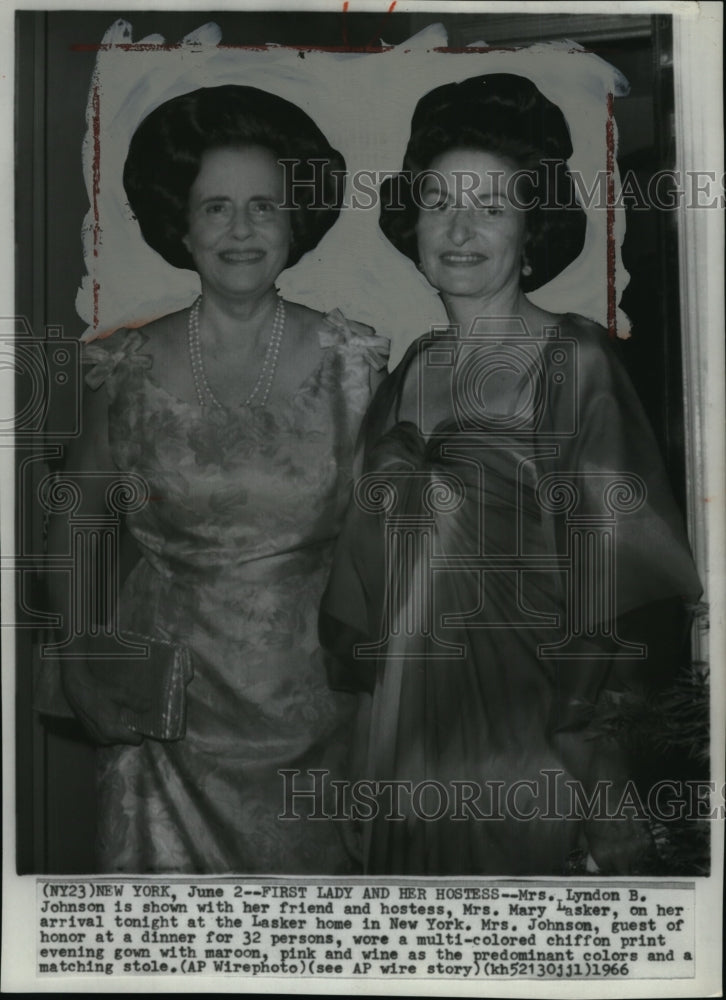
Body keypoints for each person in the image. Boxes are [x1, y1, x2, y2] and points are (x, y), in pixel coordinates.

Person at [320, 74, 702, 876]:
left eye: (491, 206)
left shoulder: (576, 359)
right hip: (405, 748)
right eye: (439, 201)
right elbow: (368, 593)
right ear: (411, 217)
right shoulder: (409, 370)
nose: (459, 229)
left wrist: (598, 772)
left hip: (531, 750)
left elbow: (621, 581)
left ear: (533, 229)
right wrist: (366, 754)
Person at [42, 85, 389, 874]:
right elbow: (75, 516)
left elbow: (379, 561)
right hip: (161, 727)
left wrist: (381, 706)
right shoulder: (122, 367)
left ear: (295, 222)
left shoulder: (357, 367)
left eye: (265, 207)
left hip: (318, 723)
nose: (241, 230)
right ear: (182, 226)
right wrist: (75, 654)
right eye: (216, 208)